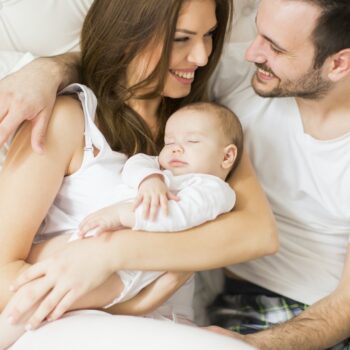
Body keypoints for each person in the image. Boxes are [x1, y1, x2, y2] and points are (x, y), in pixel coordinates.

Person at [0, 0, 276, 348]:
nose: (202, 57)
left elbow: (258, 234)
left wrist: (112, 252)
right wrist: (130, 304)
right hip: (67, 324)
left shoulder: (204, 128)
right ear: (130, 33)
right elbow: (2, 274)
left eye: (209, 35)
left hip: (172, 327)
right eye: (182, 39)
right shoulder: (68, 120)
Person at [0, 98, 243, 349]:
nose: (175, 149)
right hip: (95, 250)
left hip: (131, 273)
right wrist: (150, 178)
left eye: (192, 142)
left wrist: (122, 215)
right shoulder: (162, 172)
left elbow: (177, 217)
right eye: (169, 142)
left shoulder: (214, 190)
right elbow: (136, 163)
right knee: (37, 289)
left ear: (227, 156)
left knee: (46, 298)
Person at [204, 1, 350, 349]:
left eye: (276, 47)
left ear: (339, 63)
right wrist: (50, 71)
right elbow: (127, 65)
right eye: (258, 32)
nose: (253, 51)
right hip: (248, 302)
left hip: (324, 317)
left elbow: (346, 305)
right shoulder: (242, 73)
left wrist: (257, 346)